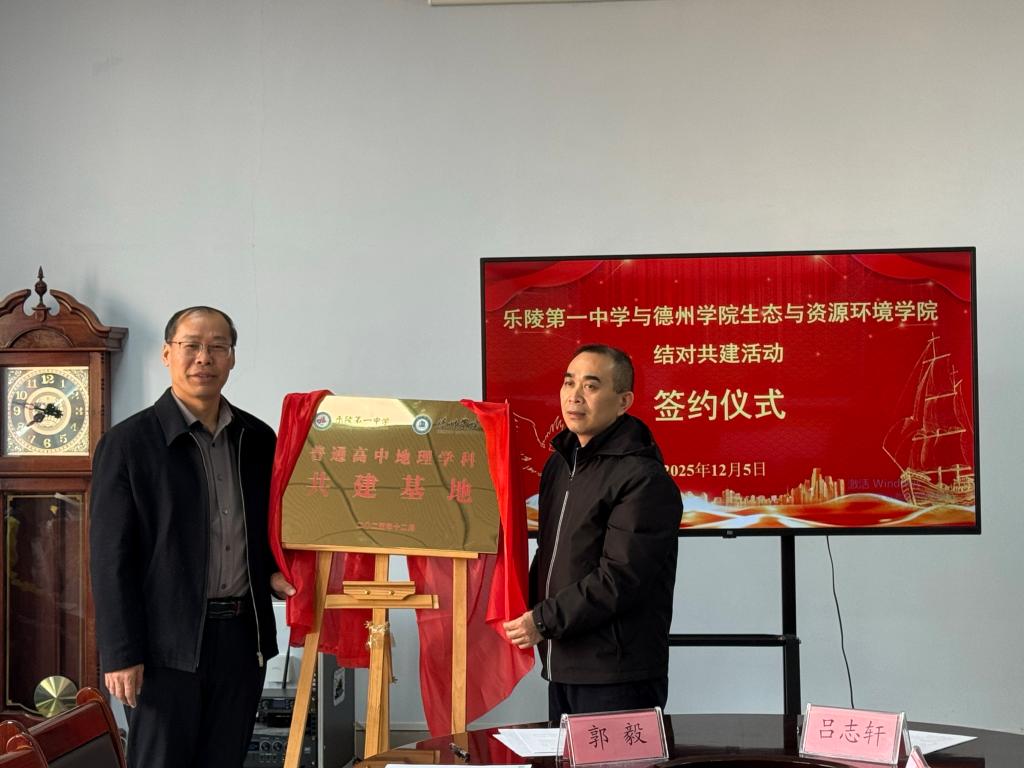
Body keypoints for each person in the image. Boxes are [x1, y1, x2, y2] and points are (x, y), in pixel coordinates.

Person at [89, 306, 295, 768]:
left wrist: (272, 573)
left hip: (242, 641)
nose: (205, 357)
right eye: (192, 346)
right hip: (162, 649)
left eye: (218, 347)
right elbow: (109, 559)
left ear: (232, 358)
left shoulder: (258, 439)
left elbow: (263, 529)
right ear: (167, 354)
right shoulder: (128, 444)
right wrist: (120, 653)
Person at [503, 344, 681, 720]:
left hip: (616, 674)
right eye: (569, 383)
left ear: (623, 401)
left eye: (591, 386)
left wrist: (542, 621)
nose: (575, 396)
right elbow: (550, 555)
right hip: (562, 665)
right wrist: (521, 610)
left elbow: (620, 578)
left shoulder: (642, 479)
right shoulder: (559, 466)